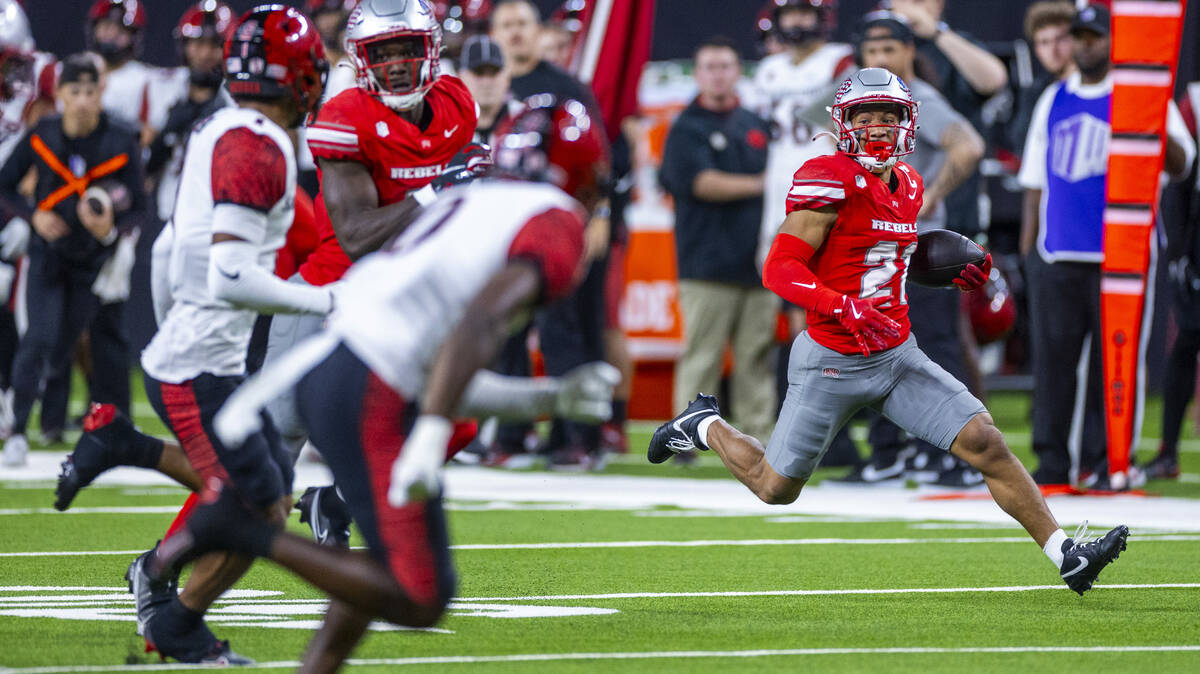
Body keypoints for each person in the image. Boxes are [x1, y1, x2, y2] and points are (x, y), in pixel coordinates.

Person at [144, 96, 616, 674]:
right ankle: (242, 530)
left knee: (389, 563)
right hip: (369, 384)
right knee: (419, 594)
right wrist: (431, 432)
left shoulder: (471, 202)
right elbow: (476, 326)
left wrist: (547, 399)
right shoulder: (555, 222)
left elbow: (442, 367)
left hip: (339, 364)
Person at [649, 66, 1129, 596]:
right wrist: (843, 307)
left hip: (897, 355)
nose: (878, 127)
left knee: (985, 442)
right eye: (866, 116)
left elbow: (885, 257)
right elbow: (778, 269)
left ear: (907, 122)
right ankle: (703, 424)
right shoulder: (828, 174)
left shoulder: (910, 183)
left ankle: (1067, 556)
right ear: (845, 122)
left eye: (889, 116)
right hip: (831, 356)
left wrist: (945, 271)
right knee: (774, 488)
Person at [61, 7, 334, 663]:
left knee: (267, 496)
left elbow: (170, 257)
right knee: (258, 510)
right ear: (301, 78)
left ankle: (122, 447)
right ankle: (166, 596)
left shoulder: (222, 128)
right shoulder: (256, 146)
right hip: (201, 364)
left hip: (203, 355)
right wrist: (326, 297)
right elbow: (233, 275)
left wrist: (178, 327)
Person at [269, 0, 477, 543]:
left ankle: (337, 501)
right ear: (361, 59)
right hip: (329, 296)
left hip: (403, 298)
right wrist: (438, 190)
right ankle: (165, 563)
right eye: (383, 54)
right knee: (269, 458)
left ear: (430, 50)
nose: (398, 65)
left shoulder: (456, 103)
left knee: (458, 421)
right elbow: (357, 235)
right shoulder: (344, 117)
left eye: (407, 49)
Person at [1018, 4, 1194, 487]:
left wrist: (1150, 120)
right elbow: (1034, 178)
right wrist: (1030, 249)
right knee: (1053, 365)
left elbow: (1181, 166)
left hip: (1124, 254)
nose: (1084, 45)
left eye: (1094, 36)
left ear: (1114, 41)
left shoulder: (1141, 96)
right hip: (1060, 251)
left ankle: (1105, 461)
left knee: (1115, 363)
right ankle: (1052, 462)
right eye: (1078, 37)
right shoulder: (1053, 97)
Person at [836, 14, 986, 486]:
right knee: (878, 350)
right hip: (873, 248)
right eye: (873, 51)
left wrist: (927, 199)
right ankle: (889, 454)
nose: (880, 59)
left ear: (909, 52)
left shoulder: (920, 100)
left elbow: (969, 147)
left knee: (935, 350)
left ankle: (955, 455)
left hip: (915, 250)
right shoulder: (850, 95)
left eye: (889, 50)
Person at [0, 55, 142, 467]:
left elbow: (138, 205)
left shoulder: (120, 140)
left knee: (63, 349)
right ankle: (19, 431)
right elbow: (5, 186)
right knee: (39, 338)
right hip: (48, 254)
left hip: (92, 260)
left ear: (101, 94)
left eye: (89, 91)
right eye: (73, 91)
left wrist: (112, 232)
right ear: (59, 95)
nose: (81, 100)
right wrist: (33, 216)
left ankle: (53, 419)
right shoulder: (43, 134)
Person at [489, 0, 612, 467]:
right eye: (507, 25)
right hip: (501, 226)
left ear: (538, 31)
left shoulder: (566, 87)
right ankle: (512, 434)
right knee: (505, 334)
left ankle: (578, 437)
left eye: (522, 24)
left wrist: (598, 217)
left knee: (562, 331)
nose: (515, 33)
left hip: (557, 225)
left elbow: (597, 164)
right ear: (495, 33)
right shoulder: (486, 85)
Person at [660, 36, 776, 444]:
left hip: (758, 262)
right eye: (710, 67)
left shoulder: (754, 124)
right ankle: (683, 439)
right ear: (698, 73)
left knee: (756, 358)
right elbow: (702, 183)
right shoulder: (686, 128)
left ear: (736, 71)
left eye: (725, 66)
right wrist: (767, 184)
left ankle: (758, 436)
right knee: (702, 356)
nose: (718, 74)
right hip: (705, 263)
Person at [889, 0, 1007, 239]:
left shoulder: (953, 43)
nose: (915, 7)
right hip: (890, 213)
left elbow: (994, 79)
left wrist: (936, 31)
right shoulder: (875, 48)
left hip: (953, 206)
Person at [0, 0, 57, 440]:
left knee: (21, 317)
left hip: (16, 208)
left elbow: (46, 146)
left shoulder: (43, 78)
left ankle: (11, 409)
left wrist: (24, 210)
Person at [1006, 1, 1076, 158]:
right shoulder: (1035, 93)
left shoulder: (1095, 85)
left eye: (1061, 39)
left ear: (1075, 40)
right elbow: (1020, 143)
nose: (1053, 50)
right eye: (1044, 42)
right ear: (1036, 49)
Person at [459, 34, 516, 144]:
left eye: (493, 73)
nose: (486, 82)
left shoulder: (522, 120)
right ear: (462, 78)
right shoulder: (444, 128)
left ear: (507, 77)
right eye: (478, 73)